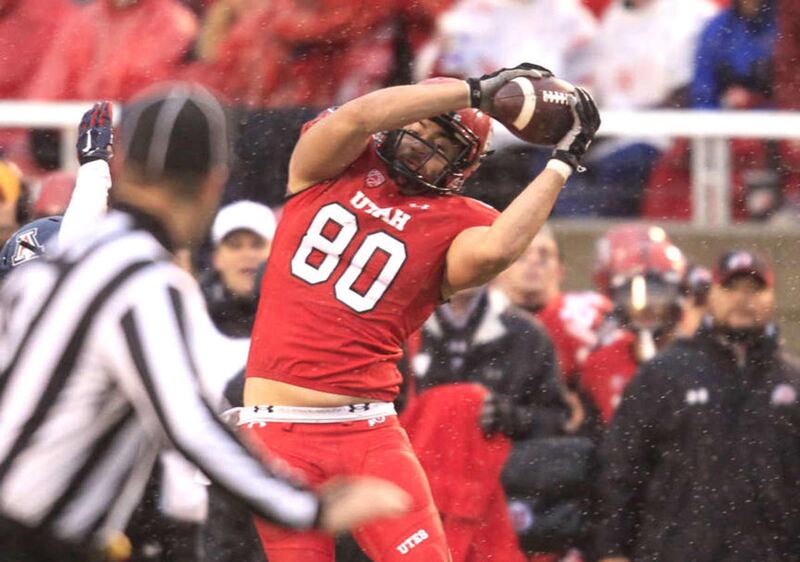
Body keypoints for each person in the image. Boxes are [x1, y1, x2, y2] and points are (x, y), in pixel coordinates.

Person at [0, 83, 409, 562]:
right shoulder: (147, 282)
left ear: (125, 166)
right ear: (214, 180)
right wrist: (307, 507)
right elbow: (189, 426)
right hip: (32, 539)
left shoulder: (55, 261)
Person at [240, 65, 600, 562]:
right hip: (276, 429)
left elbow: (496, 251)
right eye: (422, 123)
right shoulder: (329, 163)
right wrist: (473, 92)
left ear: (463, 166)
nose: (423, 141)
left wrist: (562, 162)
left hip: (367, 429)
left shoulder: (459, 221)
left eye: (444, 140)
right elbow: (359, 116)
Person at [594, 249, 800, 562]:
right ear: (711, 295)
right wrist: (611, 550)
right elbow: (621, 467)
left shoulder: (792, 381)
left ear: (772, 298)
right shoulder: (664, 374)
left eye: (755, 289)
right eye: (731, 288)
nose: (743, 300)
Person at [409, 285, 571, 439]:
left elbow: (556, 418)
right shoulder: (402, 327)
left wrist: (510, 417)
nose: (468, 265)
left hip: (498, 461)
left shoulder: (525, 332)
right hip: (411, 458)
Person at [579, 224, 687, 424]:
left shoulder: (696, 359)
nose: (647, 306)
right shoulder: (599, 361)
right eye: (633, 294)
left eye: (658, 293)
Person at [201, 200, 276, 337]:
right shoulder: (195, 313)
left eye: (257, 245)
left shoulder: (296, 314)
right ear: (216, 258)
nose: (247, 255)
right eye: (235, 245)